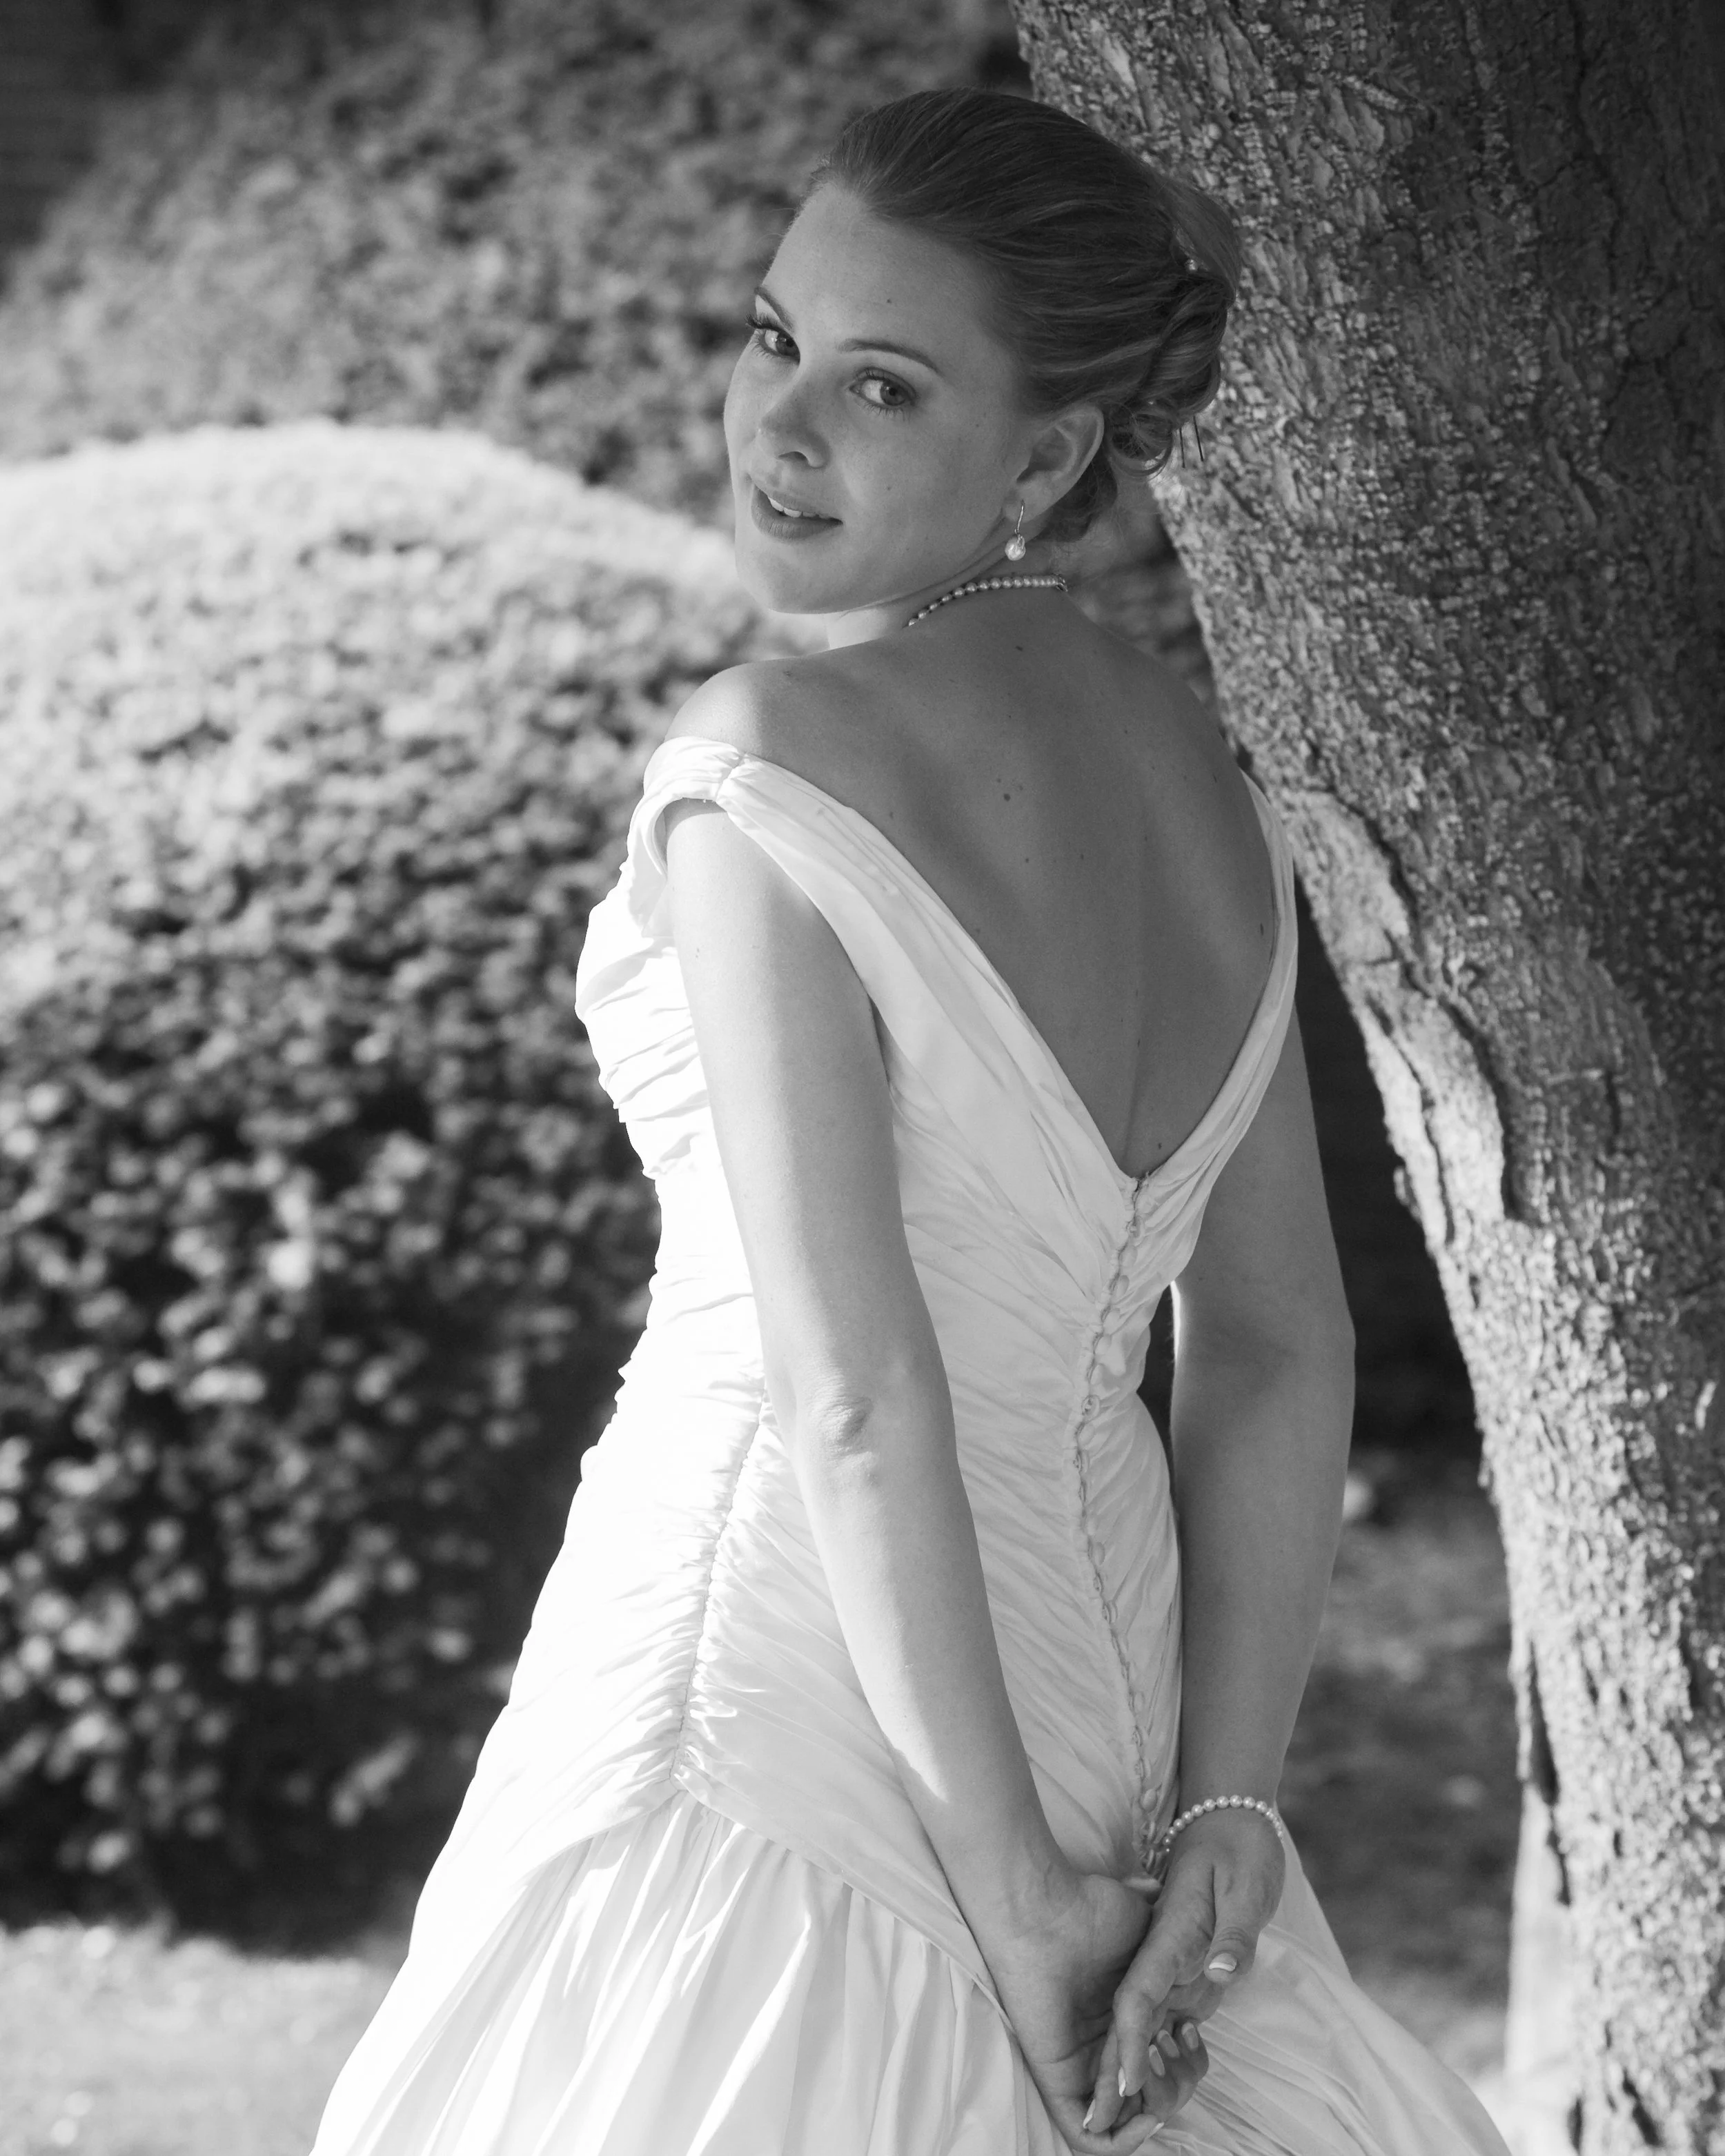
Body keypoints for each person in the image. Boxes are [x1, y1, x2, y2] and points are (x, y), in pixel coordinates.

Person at [310, 87, 1510, 2156]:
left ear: (1046, 455)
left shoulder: (764, 755)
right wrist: (1219, 1798)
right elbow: (1279, 1342)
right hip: (1109, 1675)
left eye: (878, 385)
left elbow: (853, 1396)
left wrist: (1018, 1890)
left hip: (764, 1671)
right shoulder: (1203, 786)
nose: (776, 431)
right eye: (772, 338)